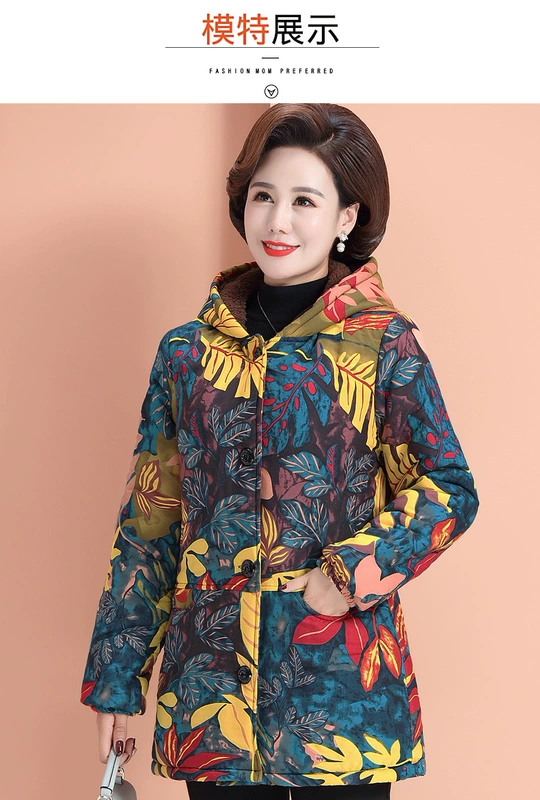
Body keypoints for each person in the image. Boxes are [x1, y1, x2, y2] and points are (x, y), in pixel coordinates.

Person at [81, 103, 479, 798]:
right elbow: (151, 519)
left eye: (304, 200)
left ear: (346, 217)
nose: (278, 221)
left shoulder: (383, 344)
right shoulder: (186, 355)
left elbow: (449, 486)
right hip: (212, 697)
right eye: (263, 196)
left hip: (343, 701)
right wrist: (116, 676)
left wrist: (350, 574)